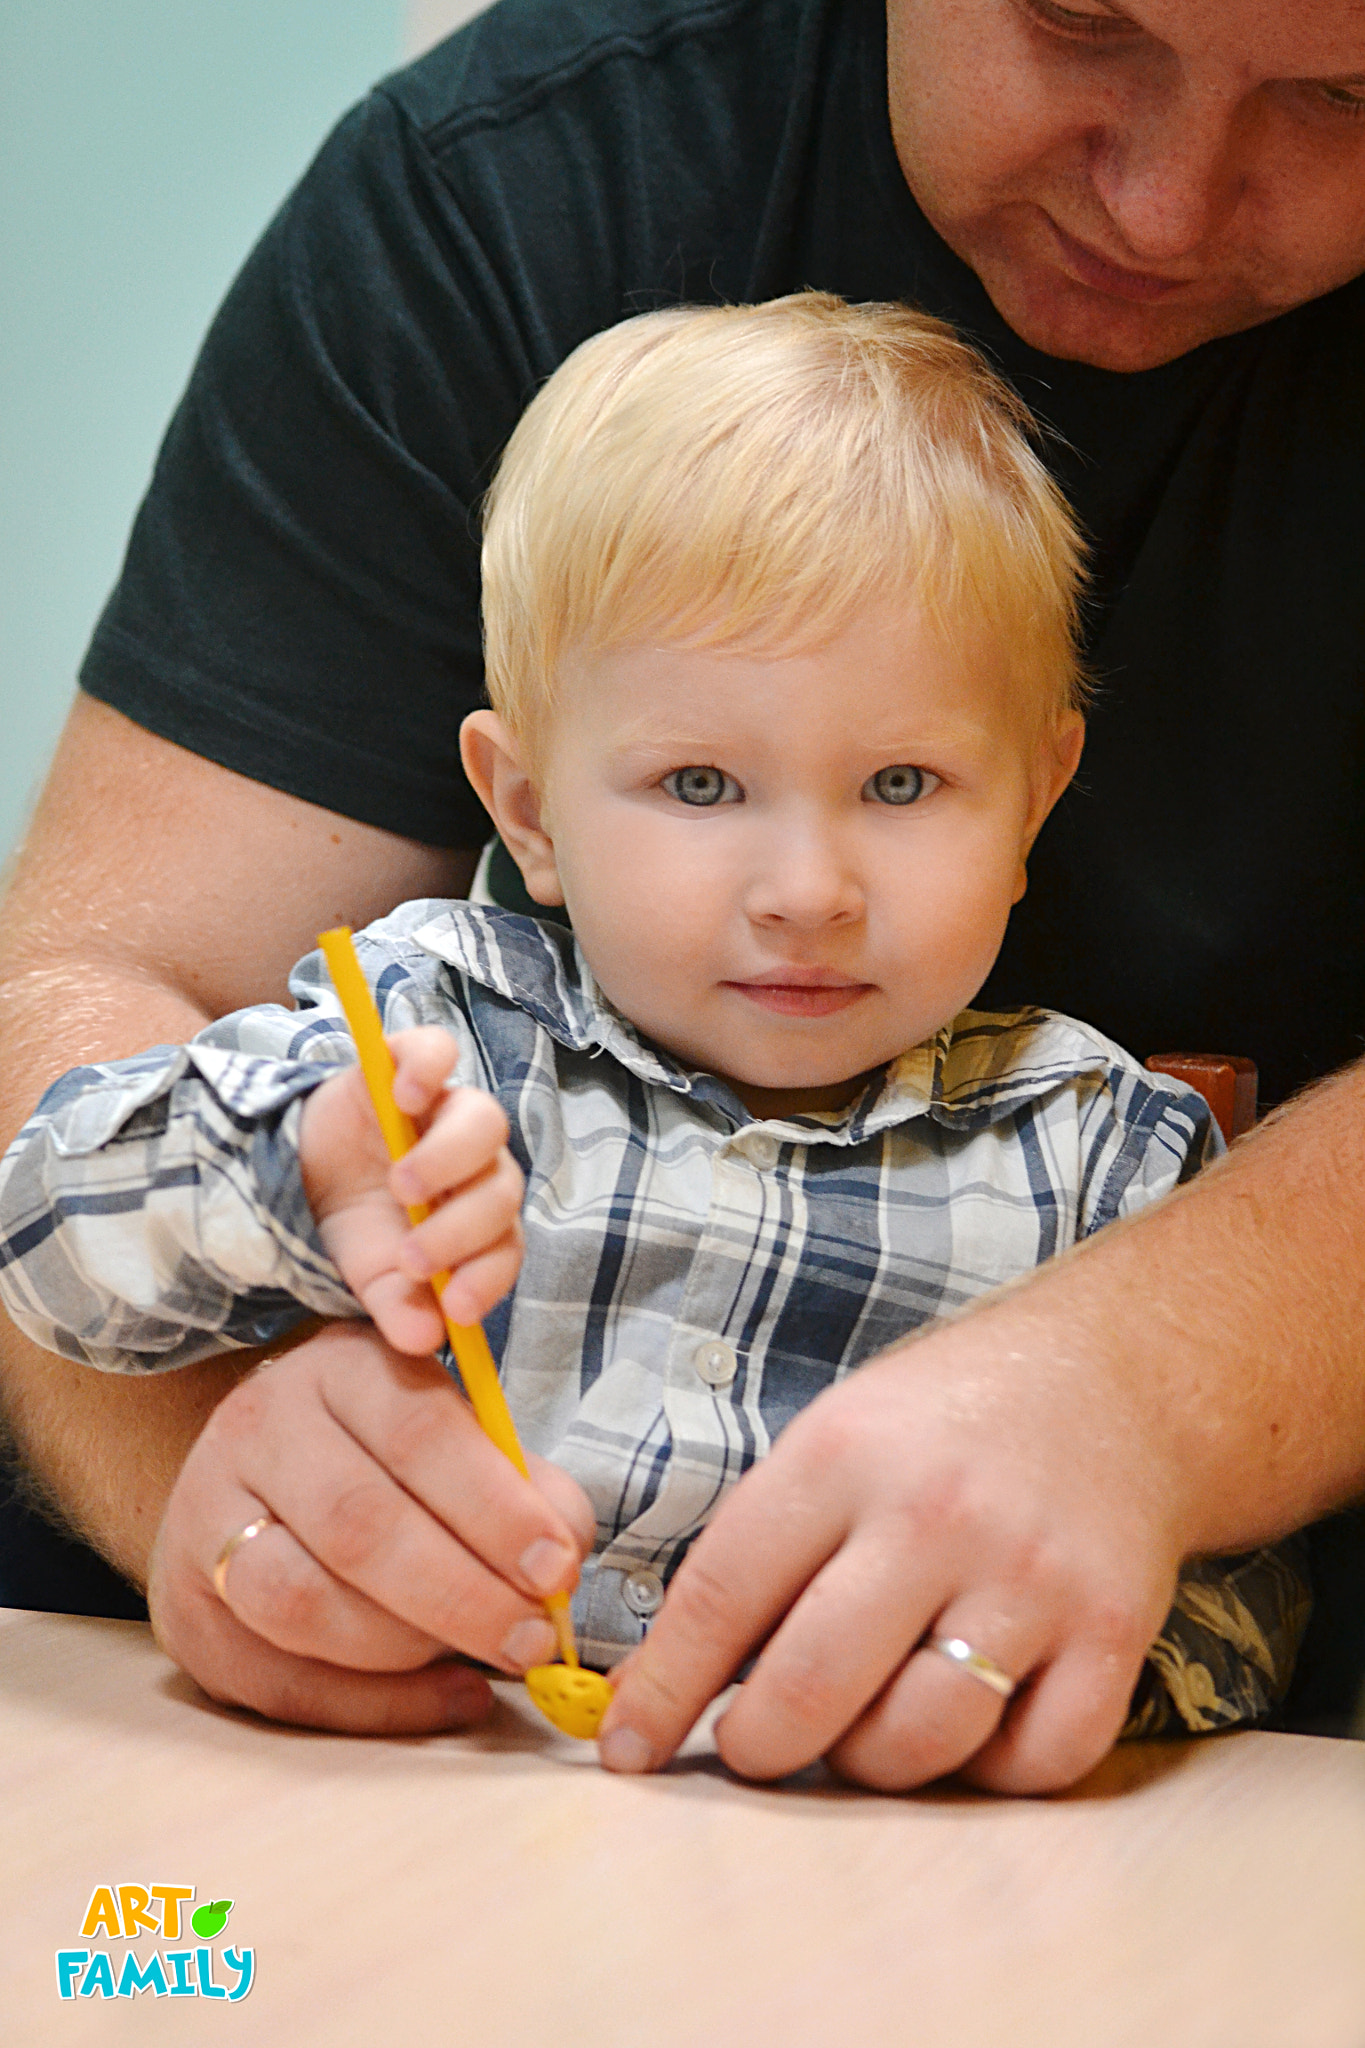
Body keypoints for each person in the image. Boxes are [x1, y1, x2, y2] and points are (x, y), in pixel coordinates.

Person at [0, 0, 1362, 1785]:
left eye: (1343, 93)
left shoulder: (1099, 1159)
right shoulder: (423, 1047)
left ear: (1038, 798)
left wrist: (1128, 1503)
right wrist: (236, 1397)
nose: (1164, 206)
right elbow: (67, 1127)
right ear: (525, 806)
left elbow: (1240, 1632)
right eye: (1080, 23)